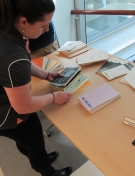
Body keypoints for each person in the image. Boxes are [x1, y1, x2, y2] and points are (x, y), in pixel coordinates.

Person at [0, 0, 72, 176]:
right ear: (24, 22)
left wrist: (46, 74)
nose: (47, 30)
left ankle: (41, 160)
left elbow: (22, 62)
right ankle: (49, 172)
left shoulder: (7, 30)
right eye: (43, 25)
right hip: (8, 114)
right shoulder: (13, 56)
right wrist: (54, 98)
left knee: (26, 143)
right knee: (35, 145)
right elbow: (23, 106)